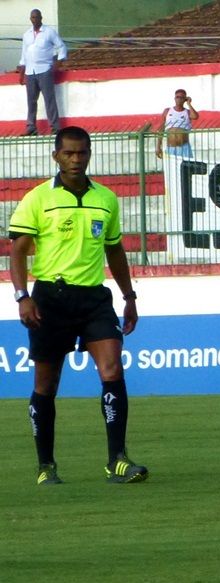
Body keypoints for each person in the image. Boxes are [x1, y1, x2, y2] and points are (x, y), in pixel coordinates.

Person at [8, 126, 149, 485]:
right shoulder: (38, 199)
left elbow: (114, 249)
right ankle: (45, 466)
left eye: (81, 153)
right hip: (50, 299)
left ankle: (117, 460)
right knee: (46, 383)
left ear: (89, 154)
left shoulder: (105, 198)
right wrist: (22, 296)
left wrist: (129, 297)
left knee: (112, 369)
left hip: (94, 298)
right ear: (56, 156)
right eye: (68, 153)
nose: (75, 159)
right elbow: (19, 251)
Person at [17, 8, 67, 136]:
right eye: (33, 17)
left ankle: (55, 128)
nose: (35, 19)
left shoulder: (49, 32)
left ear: (41, 18)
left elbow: (61, 46)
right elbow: (24, 54)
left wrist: (59, 62)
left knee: (49, 99)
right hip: (30, 72)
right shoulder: (26, 34)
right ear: (30, 19)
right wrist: (22, 72)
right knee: (31, 101)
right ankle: (31, 128)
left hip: (45, 70)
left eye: (37, 17)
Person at [156, 89, 200, 159]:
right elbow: (161, 129)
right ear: (174, 98)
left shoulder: (187, 112)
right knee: (170, 169)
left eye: (182, 97)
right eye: (177, 97)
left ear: (185, 99)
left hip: (184, 147)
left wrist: (189, 103)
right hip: (170, 148)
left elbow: (195, 116)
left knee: (185, 169)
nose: (179, 99)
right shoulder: (167, 111)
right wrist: (158, 147)